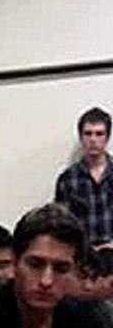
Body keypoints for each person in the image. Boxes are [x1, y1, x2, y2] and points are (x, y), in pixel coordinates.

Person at [55, 106, 113, 248]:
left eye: (99, 134)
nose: (93, 140)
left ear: (107, 138)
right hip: (83, 257)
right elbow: (62, 225)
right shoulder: (68, 179)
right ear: (81, 137)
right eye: (88, 134)